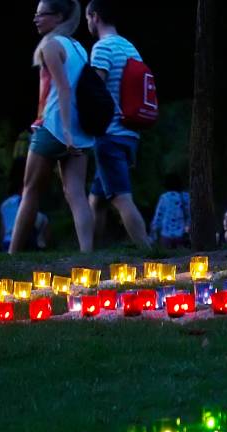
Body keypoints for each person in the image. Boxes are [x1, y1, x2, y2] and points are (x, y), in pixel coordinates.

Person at [11, 0, 96, 254]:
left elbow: (62, 89)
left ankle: (12, 254)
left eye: (41, 15)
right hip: (80, 130)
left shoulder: (50, 46)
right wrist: (74, 132)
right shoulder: (79, 48)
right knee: (77, 194)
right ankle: (88, 253)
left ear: (57, 17)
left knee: (30, 191)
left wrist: (64, 131)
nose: (36, 19)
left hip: (54, 128)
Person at [84, 0, 152, 250]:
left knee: (121, 198)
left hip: (110, 134)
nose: (88, 23)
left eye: (88, 18)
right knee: (97, 199)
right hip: (130, 133)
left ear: (95, 16)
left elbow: (96, 93)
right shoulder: (130, 47)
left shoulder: (102, 48)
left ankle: (149, 251)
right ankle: (89, 253)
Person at [150, 174, 191, 249]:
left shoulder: (164, 197)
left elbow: (158, 216)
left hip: (166, 235)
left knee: (167, 257)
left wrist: (153, 236)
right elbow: (189, 216)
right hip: (181, 234)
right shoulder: (186, 197)